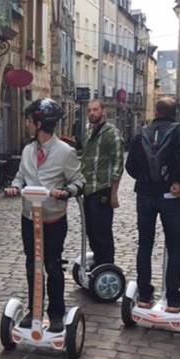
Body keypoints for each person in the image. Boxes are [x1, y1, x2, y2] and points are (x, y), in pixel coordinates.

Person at [5, 98, 85, 333]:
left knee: (52, 265)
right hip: (29, 217)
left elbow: (79, 181)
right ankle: (35, 309)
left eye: (29, 120)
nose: (27, 124)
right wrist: (15, 187)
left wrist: (67, 191)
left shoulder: (65, 152)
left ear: (39, 124)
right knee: (32, 264)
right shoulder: (28, 150)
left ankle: (56, 313)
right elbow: (21, 176)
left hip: (53, 219)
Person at [125, 96, 180, 311]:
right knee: (174, 246)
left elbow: (130, 166)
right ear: (175, 113)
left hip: (145, 194)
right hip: (169, 194)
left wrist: (144, 177)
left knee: (145, 244)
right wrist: (175, 178)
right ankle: (172, 299)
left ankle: (144, 296)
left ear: (155, 112)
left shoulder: (142, 133)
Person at [80, 99, 124, 267]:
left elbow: (118, 164)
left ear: (103, 111)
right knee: (91, 231)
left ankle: (107, 267)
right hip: (88, 190)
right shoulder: (89, 133)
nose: (92, 113)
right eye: (89, 110)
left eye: (95, 109)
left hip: (102, 191)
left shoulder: (111, 133)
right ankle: (99, 264)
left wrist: (114, 194)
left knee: (102, 233)